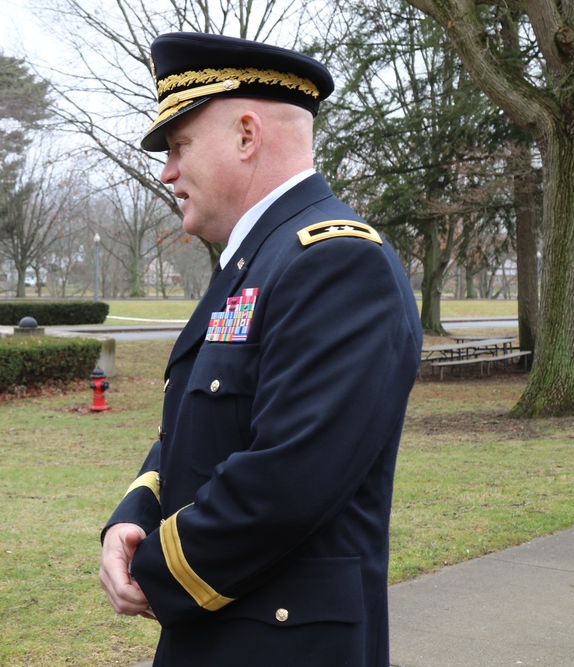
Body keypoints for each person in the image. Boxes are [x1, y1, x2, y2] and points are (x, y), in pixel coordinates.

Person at [99, 33, 422, 666]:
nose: (167, 170)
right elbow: (197, 429)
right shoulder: (258, 262)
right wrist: (134, 511)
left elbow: (286, 479)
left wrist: (154, 567)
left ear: (247, 136)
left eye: (180, 145)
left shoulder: (337, 262)